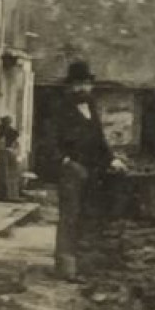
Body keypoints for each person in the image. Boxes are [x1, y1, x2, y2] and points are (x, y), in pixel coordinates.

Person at [53, 61, 123, 280]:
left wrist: (112, 159)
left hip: (92, 170)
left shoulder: (91, 106)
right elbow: (47, 141)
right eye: (77, 84)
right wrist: (66, 163)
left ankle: (85, 265)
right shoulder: (59, 107)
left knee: (87, 216)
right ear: (69, 86)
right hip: (71, 171)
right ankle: (66, 268)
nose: (82, 89)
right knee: (70, 217)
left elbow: (99, 139)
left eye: (85, 84)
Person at [0, 118, 23, 203]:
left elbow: (16, 143)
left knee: (8, 173)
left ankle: (9, 194)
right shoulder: (3, 131)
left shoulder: (8, 132)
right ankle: (7, 194)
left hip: (8, 152)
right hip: (6, 151)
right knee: (6, 174)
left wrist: (16, 152)